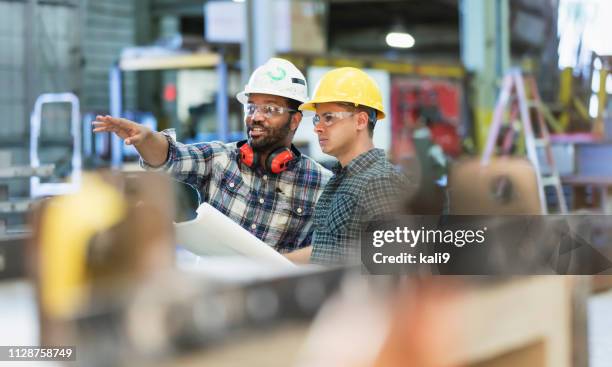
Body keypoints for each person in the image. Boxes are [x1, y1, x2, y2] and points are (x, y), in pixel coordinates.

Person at [93, 58, 331, 253]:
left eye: (269, 109)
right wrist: (146, 139)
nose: (256, 116)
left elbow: (325, 254)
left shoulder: (320, 184)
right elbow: (170, 156)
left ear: (295, 119)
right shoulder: (220, 159)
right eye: (252, 107)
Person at [285, 67, 408, 265]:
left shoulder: (380, 182)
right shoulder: (341, 180)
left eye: (329, 118)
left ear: (360, 121)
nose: (317, 127)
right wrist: (275, 262)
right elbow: (328, 249)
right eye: (318, 118)